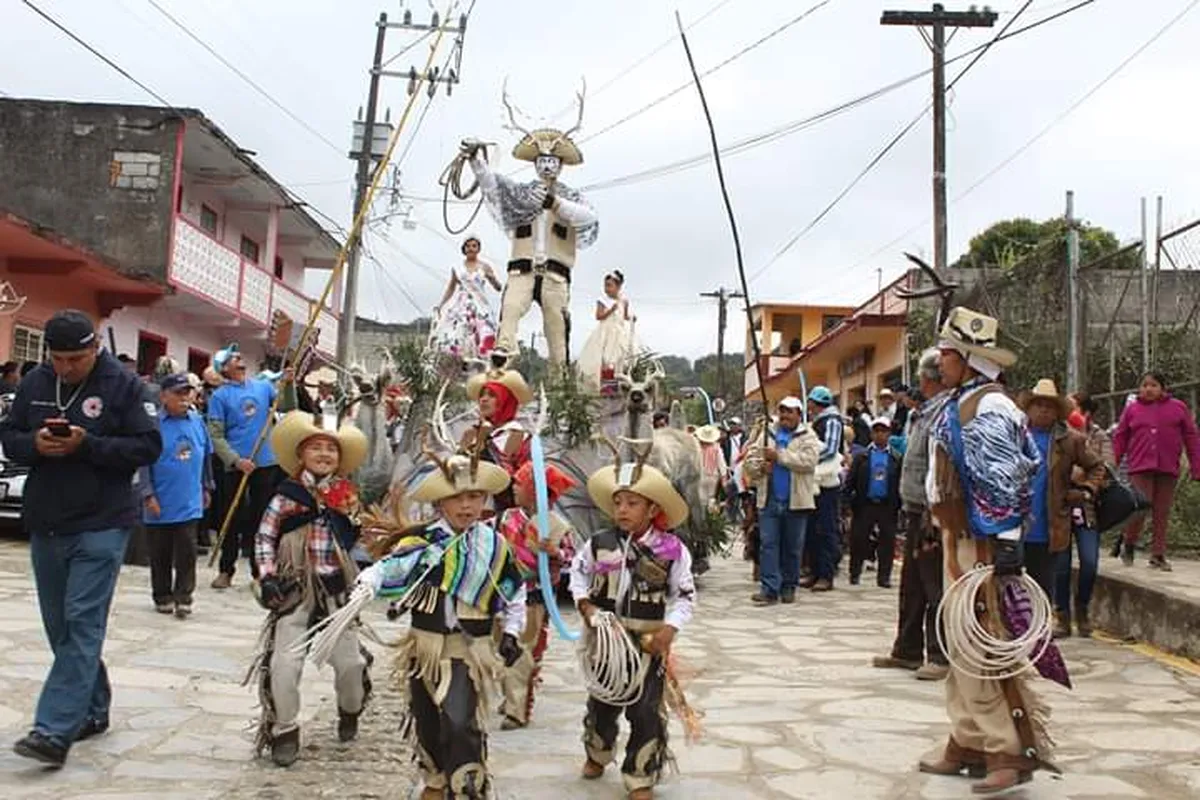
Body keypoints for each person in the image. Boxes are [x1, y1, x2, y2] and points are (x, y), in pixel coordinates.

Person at [0, 310, 162, 767]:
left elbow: (148, 447)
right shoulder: (36, 383)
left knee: (82, 621)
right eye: (59, 359)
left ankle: (53, 731)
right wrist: (36, 444)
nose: (66, 368)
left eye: (76, 358)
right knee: (61, 627)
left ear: (95, 350)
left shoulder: (126, 388)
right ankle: (92, 708)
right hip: (47, 519)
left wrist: (86, 444)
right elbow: (9, 437)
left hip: (103, 522)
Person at [921, 307, 1067, 793]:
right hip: (957, 539)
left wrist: (1007, 547)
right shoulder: (961, 401)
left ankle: (1008, 748)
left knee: (984, 646)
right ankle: (968, 738)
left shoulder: (991, 407)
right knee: (959, 642)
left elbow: (1004, 481)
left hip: (982, 545)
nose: (939, 360)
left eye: (946, 352)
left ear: (968, 358)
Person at [353, 442, 526, 799]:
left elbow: (514, 590)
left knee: (461, 721)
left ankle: (466, 786)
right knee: (428, 717)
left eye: (475, 496)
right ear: (440, 503)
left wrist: (510, 631)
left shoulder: (494, 546)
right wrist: (368, 582)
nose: (467, 506)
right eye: (457, 497)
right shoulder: (423, 543)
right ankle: (434, 777)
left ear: (485, 501)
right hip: (425, 647)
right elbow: (390, 568)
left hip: (468, 649)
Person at [250, 410, 371, 767]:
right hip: (296, 590)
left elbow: (361, 538)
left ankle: (350, 709)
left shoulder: (346, 495)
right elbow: (264, 536)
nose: (324, 454)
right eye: (315, 448)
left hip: (337, 589)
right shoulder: (286, 495)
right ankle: (285, 729)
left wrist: (367, 573)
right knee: (285, 663)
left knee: (350, 664)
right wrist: (268, 575)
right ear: (301, 455)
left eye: (331, 449)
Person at [573, 451, 695, 800]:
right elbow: (577, 576)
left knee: (646, 713)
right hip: (606, 644)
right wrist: (584, 604)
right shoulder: (598, 544)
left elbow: (685, 596)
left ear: (653, 509)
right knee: (602, 705)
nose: (622, 510)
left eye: (632, 503)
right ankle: (597, 752)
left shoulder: (672, 550)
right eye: (618, 502)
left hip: (647, 646)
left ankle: (640, 776)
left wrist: (669, 630)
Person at [462, 91, 600, 367]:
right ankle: (504, 353)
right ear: (535, 164)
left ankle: (560, 380)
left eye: (552, 161)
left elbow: (589, 219)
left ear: (560, 165)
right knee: (510, 309)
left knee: (557, 330)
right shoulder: (521, 195)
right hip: (521, 268)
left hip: (555, 274)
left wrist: (556, 204)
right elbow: (493, 185)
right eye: (542, 161)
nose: (547, 166)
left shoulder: (572, 199)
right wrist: (476, 161)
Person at [873, 349, 951, 681]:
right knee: (912, 585)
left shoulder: (943, 413)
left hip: (930, 511)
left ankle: (939, 654)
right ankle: (906, 649)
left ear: (927, 378)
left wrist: (933, 508)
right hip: (914, 507)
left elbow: (940, 464)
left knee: (934, 586)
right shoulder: (923, 412)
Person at [495, 460, 577, 730]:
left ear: (536, 490)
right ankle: (510, 696)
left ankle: (517, 711)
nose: (515, 487)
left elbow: (571, 560)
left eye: (520, 482)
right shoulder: (506, 518)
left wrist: (555, 554)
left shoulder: (557, 526)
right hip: (503, 595)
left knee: (526, 651)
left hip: (534, 597)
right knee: (503, 648)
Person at [207, 342, 294, 589]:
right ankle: (226, 568)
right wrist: (235, 460)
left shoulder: (263, 386)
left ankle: (259, 572)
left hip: (265, 462)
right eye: (233, 358)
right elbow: (216, 434)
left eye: (239, 356)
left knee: (261, 518)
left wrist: (289, 384)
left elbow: (287, 406)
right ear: (224, 368)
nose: (239, 359)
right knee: (231, 517)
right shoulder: (219, 397)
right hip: (235, 465)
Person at [1019, 379, 1106, 623]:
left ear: (1058, 411)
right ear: (1029, 408)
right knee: (1011, 586)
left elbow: (1097, 467)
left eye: (1049, 406)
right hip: (1013, 524)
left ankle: (1042, 634)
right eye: (1038, 405)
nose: (1043, 410)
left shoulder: (1071, 440)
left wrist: (1086, 490)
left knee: (1043, 586)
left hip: (1049, 525)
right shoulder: (1014, 435)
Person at [139, 374, 213, 618]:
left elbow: (206, 456)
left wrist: (206, 486)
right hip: (160, 498)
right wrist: (148, 494)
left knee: (187, 550)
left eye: (187, 393)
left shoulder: (198, 422)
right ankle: (162, 595)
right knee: (160, 552)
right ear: (163, 396)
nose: (184, 398)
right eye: (178, 393)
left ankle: (184, 596)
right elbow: (143, 463)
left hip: (189, 498)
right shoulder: (153, 424)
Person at [1112, 371, 1200, 571]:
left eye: (1153, 385)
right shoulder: (1132, 410)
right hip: (1140, 467)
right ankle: (1129, 542)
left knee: (1162, 511)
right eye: (1144, 385)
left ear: (1163, 388)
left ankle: (1158, 554)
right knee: (1140, 507)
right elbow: (1120, 439)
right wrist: (1111, 465)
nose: (1148, 389)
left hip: (1167, 467)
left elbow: (1191, 437)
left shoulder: (1178, 408)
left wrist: (1197, 467)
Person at [743, 397, 820, 605]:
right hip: (769, 500)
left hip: (796, 502)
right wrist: (761, 468)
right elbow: (750, 461)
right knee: (768, 545)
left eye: (790, 411)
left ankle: (789, 586)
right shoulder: (767, 434)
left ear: (799, 415)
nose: (785, 415)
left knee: (793, 547)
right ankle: (769, 588)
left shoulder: (808, 436)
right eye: (782, 410)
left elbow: (809, 462)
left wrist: (780, 457)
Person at [1055, 392, 1113, 637]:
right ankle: (1063, 616)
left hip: (1087, 508)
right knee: (1061, 566)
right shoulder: (1055, 438)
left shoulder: (1098, 437)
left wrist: (1088, 485)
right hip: (1060, 509)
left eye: (1074, 407)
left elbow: (1107, 466)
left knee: (1089, 562)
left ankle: (1082, 608)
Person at [462, 367, 534, 514]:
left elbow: (518, 481)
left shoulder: (518, 436)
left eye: (492, 395)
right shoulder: (473, 433)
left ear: (506, 401)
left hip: (504, 516)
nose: (483, 399)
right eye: (482, 395)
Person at [846, 418, 902, 588]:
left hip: (887, 505)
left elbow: (900, 481)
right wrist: (848, 501)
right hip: (865, 504)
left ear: (889, 434)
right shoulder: (862, 456)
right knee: (858, 540)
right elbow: (851, 480)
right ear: (871, 434)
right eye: (876, 431)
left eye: (883, 431)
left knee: (887, 542)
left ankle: (884, 577)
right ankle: (854, 573)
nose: (880, 435)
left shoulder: (896, 457)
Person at [431, 236, 503, 363]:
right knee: (457, 335)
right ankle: (457, 363)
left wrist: (492, 278)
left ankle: (481, 365)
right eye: (468, 246)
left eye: (474, 246)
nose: (471, 248)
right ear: (464, 249)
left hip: (480, 306)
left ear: (478, 249)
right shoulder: (457, 267)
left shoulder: (484, 266)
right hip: (462, 306)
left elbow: (498, 287)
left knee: (482, 336)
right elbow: (451, 287)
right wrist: (441, 304)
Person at [804, 386, 844, 592]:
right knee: (812, 528)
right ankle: (814, 571)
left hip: (826, 483)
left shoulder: (832, 421)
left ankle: (826, 574)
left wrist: (806, 459)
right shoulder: (817, 422)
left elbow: (830, 448)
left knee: (826, 529)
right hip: (814, 482)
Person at [578, 270, 638, 393]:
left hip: (619, 332)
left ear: (618, 286)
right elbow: (599, 316)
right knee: (605, 359)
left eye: (610, 285)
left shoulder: (624, 301)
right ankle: (606, 387)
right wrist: (610, 310)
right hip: (605, 332)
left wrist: (631, 318)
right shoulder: (603, 300)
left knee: (618, 359)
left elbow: (624, 316)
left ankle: (617, 385)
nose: (607, 289)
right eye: (605, 285)